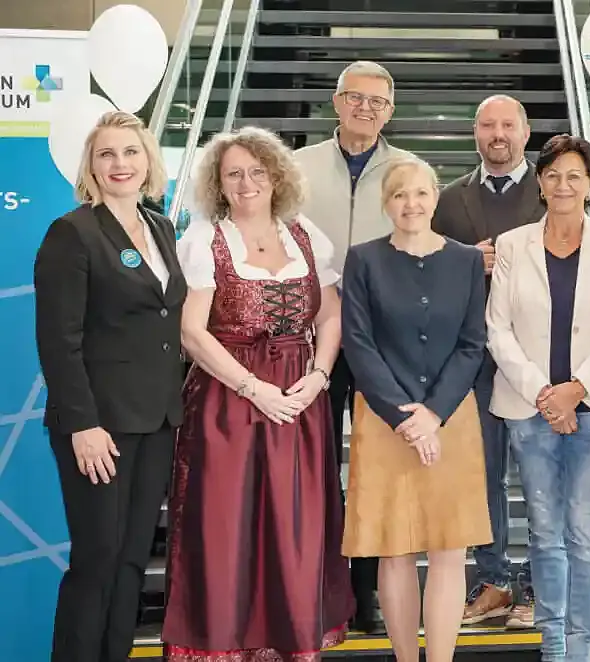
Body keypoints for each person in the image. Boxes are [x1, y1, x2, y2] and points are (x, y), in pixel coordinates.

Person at [162, 126, 354, 661]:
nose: (247, 183)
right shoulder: (204, 240)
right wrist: (253, 388)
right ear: (219, 185)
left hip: (300, 398)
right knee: (226, 526)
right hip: (227, 403)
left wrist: (318, 376)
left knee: (294, 527)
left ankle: (287, 644)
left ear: (276, 176)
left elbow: (332, 312)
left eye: (256, 171)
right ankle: (222, 648)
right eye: (233, 174)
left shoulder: (307, 235)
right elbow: (191, 331)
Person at [34, 110, 183, 662]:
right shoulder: (72, 233)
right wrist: (82, 424)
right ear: (91, 168)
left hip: (158, 419)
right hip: (99, 425)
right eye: (107, 155)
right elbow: (58, 341)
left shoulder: (161, 226)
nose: (120, 164)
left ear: (148, 162)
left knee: (129, 561)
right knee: (97, 559)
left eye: (131, 152)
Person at [485, 134, 590, 662]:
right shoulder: (511, 244)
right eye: (553, 175)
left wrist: (576, 390)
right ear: (540, 185)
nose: (563, 184)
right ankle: (554, 648)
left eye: (575, 175)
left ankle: (582, 648)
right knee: (546, 534)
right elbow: (497, 329)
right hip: (530, 413)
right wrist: (544, 394)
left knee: (586, 534)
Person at [341, 157, 490, 662]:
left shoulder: (466, 260)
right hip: (385, 422)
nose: (411, 203)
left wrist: (433, 414)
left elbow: (473, 344)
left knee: (450, 550)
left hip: (451, 420)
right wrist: (406, 416)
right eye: (400, 194)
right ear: (386, 203)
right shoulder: (363, 259)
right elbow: (358, 345)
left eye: (421, 193)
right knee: (395, 548)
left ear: (435, 199)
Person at [294, 60, 414, 631]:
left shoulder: (406, 171)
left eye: (377, 102)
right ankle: (312, 591)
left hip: (381, 342)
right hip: (309, 337)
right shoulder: (296, 167)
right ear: (335, 101)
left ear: (390, 110)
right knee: (310, 467)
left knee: (372, 468)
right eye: (355, 98)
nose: (365, 108)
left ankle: (363, 595)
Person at [433, 94, 545, 628]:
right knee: (484, 477)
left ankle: (540, 586)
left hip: (538, 357)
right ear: (474, 132)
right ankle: (495, 579)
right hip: (473, 357)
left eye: (507, 125)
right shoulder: (448, 199)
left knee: (543, 475)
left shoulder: (553, 192)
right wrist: (464, 264)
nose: (497, 134)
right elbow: (424, 269)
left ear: (525, 132)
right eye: (486, 125)